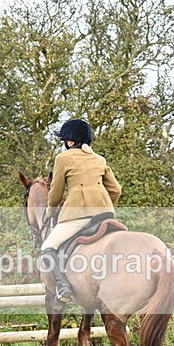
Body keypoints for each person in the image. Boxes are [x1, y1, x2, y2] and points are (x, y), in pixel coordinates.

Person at [42, 118, 121, 303]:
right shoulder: (100, 159)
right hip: (105, 214)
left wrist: (51, 212)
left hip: (78, 215)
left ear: (70, 142)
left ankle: (63, 286)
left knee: (47, 247)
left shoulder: (63, 158)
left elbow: (56, 193)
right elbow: (116, 190)